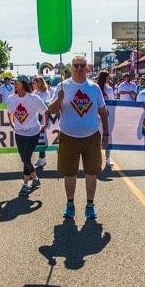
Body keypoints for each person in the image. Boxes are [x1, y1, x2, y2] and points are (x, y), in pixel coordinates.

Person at [47, 55, 109, 219]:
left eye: (82, 66)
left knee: (91, 172)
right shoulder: (63, 87)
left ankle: (90, 205)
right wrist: (59, 99)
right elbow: (51, 111)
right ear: (71, 67)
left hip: (91, 136)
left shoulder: (94, 88)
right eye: (76, 65)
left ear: (87, 68)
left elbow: (103, 113)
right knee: (69, 173)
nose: (79, 68)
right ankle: (70, 204)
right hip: (68, 136)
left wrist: (106, 134)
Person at [7, 77, 48, 196]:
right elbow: (9, 111)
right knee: (24, 159)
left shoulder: (34, 98)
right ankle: (35, 178)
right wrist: (11, 123)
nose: (15, 84)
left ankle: (25, 184)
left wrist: (44, 124)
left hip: (33, 132)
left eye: (18, 82)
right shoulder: (11, 98)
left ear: (24, 84)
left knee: (26, 157)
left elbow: (45, 111)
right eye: (15, 82)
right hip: (19, 132)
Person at [32, 76, 53, 170]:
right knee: (37, 139)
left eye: (34, 83)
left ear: (39, 83)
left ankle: (42, 157)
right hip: (34, 119)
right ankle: (42, 157)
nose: (32, 85)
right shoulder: (34, 93)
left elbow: (47, 108)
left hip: (42, 119)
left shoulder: (45, 94)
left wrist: (45, 120)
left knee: (42, 138)